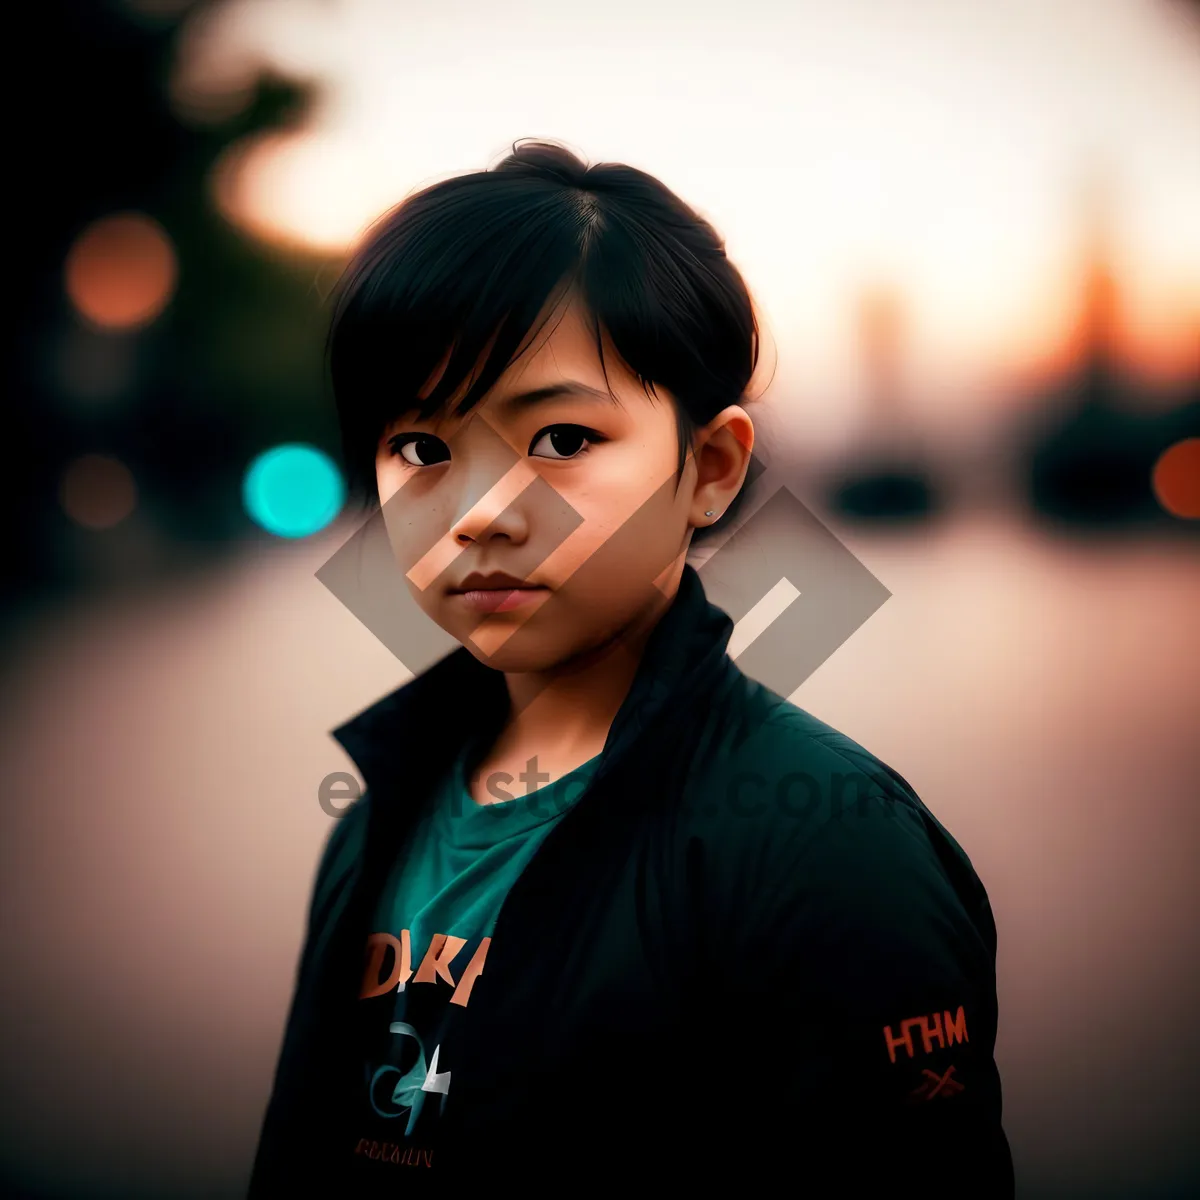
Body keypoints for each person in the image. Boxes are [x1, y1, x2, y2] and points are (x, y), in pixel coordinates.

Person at [247, 139, 1015, 1194]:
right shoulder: (378, 812)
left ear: (708, 469)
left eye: (561, 438)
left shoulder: (832, 847)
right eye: (422, 448)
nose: (479, 514)